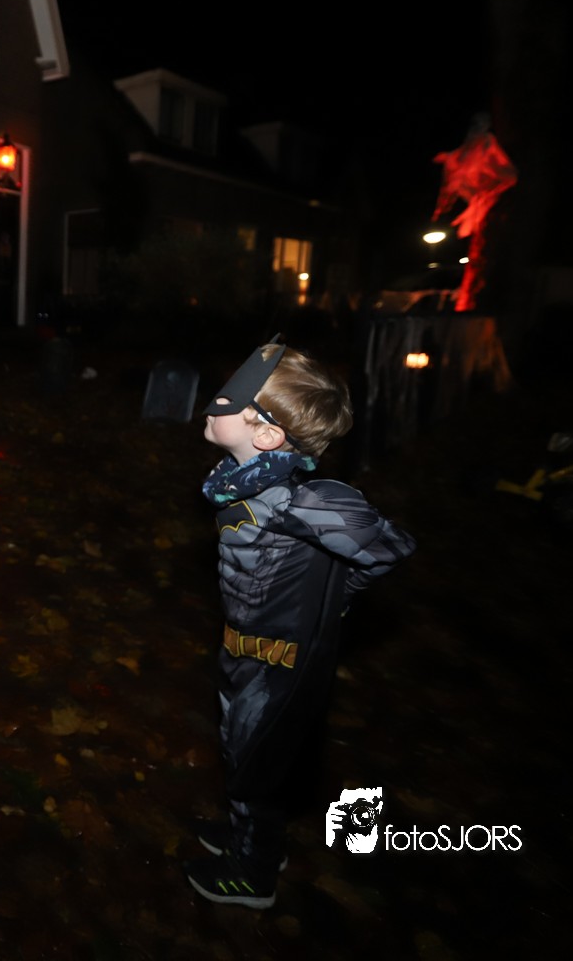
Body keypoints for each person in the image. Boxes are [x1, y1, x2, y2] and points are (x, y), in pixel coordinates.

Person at [184, 337, 416, 909]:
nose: (215, 402)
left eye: (231, 398)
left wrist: (331, 599)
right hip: (241, 648)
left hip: (279, 667)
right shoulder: (241, 479)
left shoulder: (303, 501)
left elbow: (389, 548)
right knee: (239, 749)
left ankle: (255, 873)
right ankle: (249, 835)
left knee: (259, 760)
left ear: (267, 436)